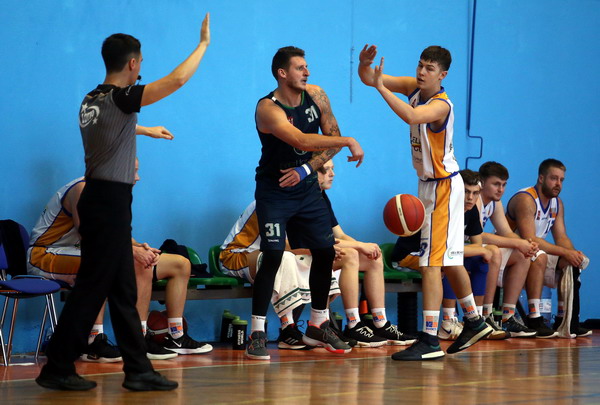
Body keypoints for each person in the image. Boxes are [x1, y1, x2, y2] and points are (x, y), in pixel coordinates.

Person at [36, 14, 210, 391]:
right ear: (133, 63)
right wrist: (202, 45)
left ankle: (138, 369)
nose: (141, 68)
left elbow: (113, 127)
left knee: (123, 290)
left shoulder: (92, 100)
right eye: (141, 63)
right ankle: (57, 367)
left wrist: (145, 130)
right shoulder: (122, 97)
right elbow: (176, 80)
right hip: (108, 202)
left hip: (103, 200)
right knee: (91, 288)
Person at [359, 44, 492, 361]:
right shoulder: (413, 87)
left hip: (444, 186)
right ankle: (474, 321)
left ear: (442, 74)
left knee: (429, 262)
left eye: (429, 68)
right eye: (420, 65)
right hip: (431, 185)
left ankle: (430, 338)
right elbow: (370, 78)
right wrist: (365, 66)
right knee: (449, 260)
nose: (421, 72)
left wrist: (380, 88)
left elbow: (410, 115)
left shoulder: (441, 105)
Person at [248, 45, 364, 360]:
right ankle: (257, 331)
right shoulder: (267, 108)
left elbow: (330, 138)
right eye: (300, 68)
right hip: (274, 190)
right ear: (282, 73)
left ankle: (317, 324)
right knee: (273, 255)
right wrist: (348, 140)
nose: (307, 72)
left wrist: (306, 170)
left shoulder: (317, 95)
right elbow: (301, 139)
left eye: (306, 66)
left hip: (306, 187)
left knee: (325, 252)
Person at [28, 164, 212, 361]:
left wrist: (141, 248)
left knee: (178, 263)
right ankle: (93, 341)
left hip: (81, 251)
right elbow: (92, 236)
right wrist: (132, 251)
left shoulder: (115, 194)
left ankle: (155, 337)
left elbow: (118, 234)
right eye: (134, 170)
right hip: (45, 254)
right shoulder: (83, 189)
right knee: (101, 262)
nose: (138, 177)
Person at [317, 160, 416, 347]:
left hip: (327, 252)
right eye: (326, 170)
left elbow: (339, 235)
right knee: (352, 256)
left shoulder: (322, 197)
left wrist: (364, 247)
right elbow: (319, 240)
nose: (332, 174)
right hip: (306, 254)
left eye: (333, 169)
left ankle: (380, 322)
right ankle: (353, 323)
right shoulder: (306, 198)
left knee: (374, 258)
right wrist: (359, 247)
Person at [219, 200, 343, 351]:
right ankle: (287, 327)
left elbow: (316, 240)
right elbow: (279, 243)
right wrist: (316, 249)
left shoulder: (306, 203)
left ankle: (322, 326)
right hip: (236, 255)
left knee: (320, 260)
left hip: (269, 254)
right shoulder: (269, 201)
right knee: (285, 258)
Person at [506, 158, 591, 337]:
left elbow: (561, 237)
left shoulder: (557, 203)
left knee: (569, 262)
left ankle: (564, 320)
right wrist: (566, 252)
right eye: (554, 178)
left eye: (561, 180)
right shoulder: (526, 199)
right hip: (511, 251)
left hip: (533, 251)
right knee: (540, 255)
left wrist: (573, 254)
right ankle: (534, 318)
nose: (558, 184)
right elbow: (530, 238)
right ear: (541, 178)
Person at [478, 161, 539, 337]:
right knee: (493, 252)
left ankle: (508, 317)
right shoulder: (474, 199)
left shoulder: (495, 203)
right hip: (461, 248)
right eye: (496, 184)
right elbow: (478, 236)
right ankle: (485, 316)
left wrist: (525, 244)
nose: (501, 189)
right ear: (482, 182)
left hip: (475, 247)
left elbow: (506, 232)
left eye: (504, 185)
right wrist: (517, 243)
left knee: (522, 255)